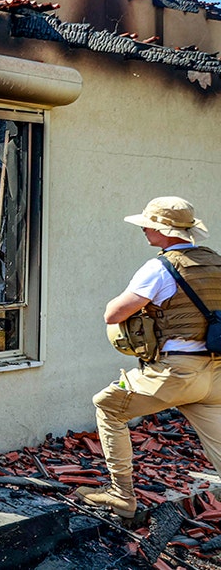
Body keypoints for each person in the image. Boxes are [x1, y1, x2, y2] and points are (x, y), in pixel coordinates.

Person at [77, 196, 221, 518]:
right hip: (215, 374)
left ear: (165, 231)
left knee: (108, 406)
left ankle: (121, 494)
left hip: (177, 372)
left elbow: (113, 314)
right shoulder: (215, 262)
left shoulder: (161, 267)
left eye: (149, 224)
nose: (144, 229)